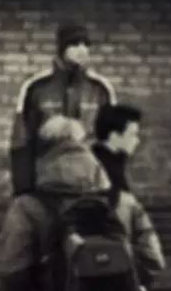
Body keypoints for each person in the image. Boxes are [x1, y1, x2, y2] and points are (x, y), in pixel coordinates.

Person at [0, 111, 165, 291]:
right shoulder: (121, 201)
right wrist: (125, 283)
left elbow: (12, 268)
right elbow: (153, 257)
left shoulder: (28, 206)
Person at [10, 20, 116, 196]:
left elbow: (112, 143)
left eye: (86, 44)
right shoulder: (36, 88)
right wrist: (24, 190)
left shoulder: (100, 90)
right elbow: (21, 142)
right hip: (47, 186)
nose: (82, 50)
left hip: (90, 186)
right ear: (61, 48)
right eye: (74, 44)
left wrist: (111, 189)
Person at [91, 102, 166, 291]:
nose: (137, 140)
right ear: (115, 135)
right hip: (111, 267)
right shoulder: (109, 172)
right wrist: (141, 277)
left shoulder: (100, 164)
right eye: (133, 133)